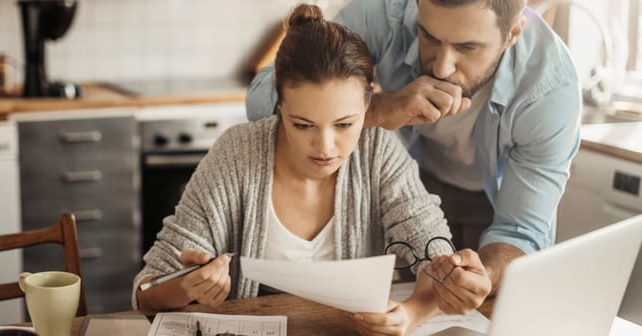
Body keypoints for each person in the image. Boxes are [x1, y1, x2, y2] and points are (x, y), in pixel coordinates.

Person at [133, 4, 489, 335]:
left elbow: (433, 253)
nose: (326, 147)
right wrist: (187, 285)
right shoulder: (237, 153)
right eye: (302, 125)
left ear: (369, 103)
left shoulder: (378, 149)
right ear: (278, 104)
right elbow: (147, 292)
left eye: (345, 124)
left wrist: (415, 310)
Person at [247, 0, 581, 315]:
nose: (442, 66)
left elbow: (521, 230)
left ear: (512, 34)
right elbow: (261, 97)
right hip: (400, 197)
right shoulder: (384, 15)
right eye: (429, 37)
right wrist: (377, 109)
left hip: (490, 203)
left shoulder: (550, 90)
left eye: (467, 47)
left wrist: (487, 273)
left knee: (481, 308)